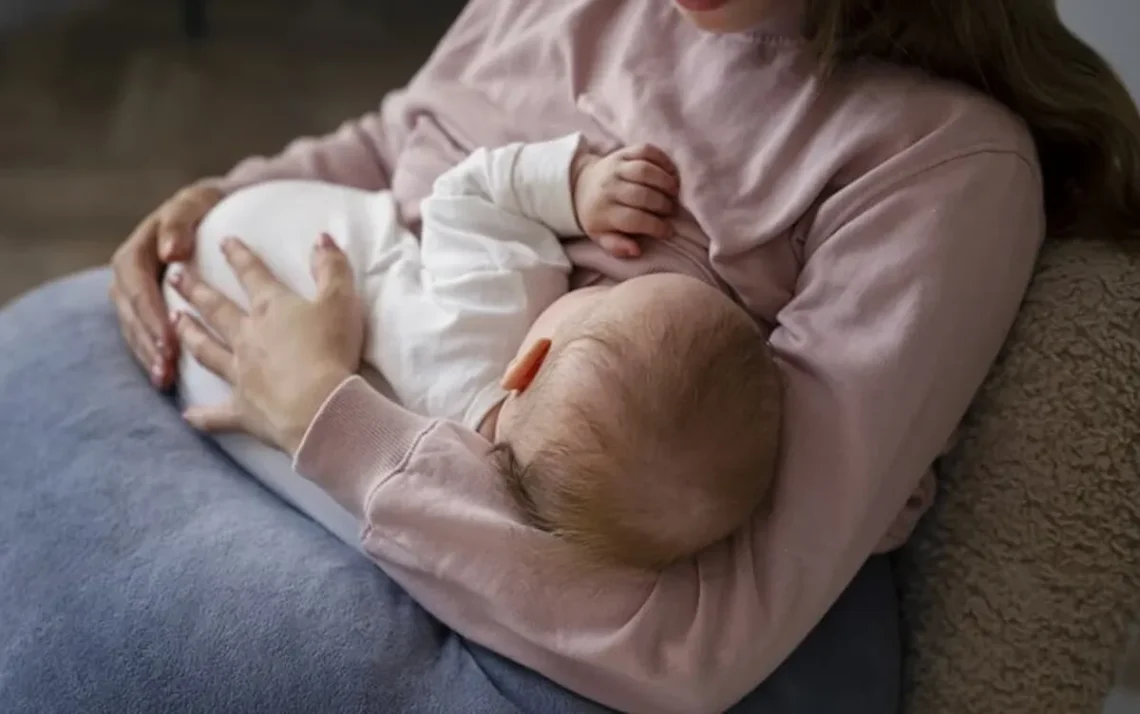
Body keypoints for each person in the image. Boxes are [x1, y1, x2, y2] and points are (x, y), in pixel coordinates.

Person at [108, 0, 1140, 711]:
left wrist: (322, 410)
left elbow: (707, 638)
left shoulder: (936, 163)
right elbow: (398, 140)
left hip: (529, 561)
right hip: (359, 363)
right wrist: (225, 202)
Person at [165, 133, 781, 569]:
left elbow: (465, 194)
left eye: (607, 298)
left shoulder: (497, 304)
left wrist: (575, 186)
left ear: (529, 360)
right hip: (227, 383)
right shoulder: (458, 485)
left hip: (249, 248)